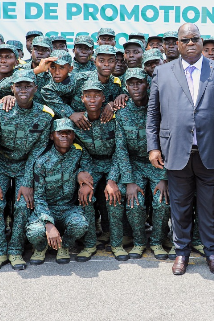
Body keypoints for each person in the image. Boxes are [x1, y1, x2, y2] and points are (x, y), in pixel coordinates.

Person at [146, 23, 214, 276]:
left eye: (195, 39)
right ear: (176, 44)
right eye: (184, 40)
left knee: (210, 206)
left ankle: (211, 252)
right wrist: (153, 147)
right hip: (175, 151)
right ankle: (181, 253)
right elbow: (153, 113)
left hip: (211, 151)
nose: (190, 43)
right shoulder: (163, 72)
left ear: (202, 43)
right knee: (180, 206)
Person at [0, 69, 54, 272]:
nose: (23, 90)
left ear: (35, 89)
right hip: (1, 164)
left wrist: (27, 181)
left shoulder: (45, 115)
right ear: (12, 88)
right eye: (18, 86)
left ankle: (15, 250)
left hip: (25, 165)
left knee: (23, 205)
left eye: (28, 86)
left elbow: (38, 152)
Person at [114, 68, 170, 260]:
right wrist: (129, 181)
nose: (136, 87)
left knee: (162, 202)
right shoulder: (121, 114)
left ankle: (157, 241)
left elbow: (170, 144)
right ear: (125, 86)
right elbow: (121, 149)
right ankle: (139, 241)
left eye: (140, 82)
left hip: (158, 164)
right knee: (134, 202)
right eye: (131, 83)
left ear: (148, 84)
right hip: (134, 164)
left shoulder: (159, 110)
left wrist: (164, 178)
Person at [26, 118, 92, 265]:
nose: (64, 136)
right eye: (60, 133)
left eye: (68, 132)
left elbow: (88, 167)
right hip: (47, 209)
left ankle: (64, 246)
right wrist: (48, 223)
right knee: (35, 232)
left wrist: (83, 175)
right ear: (51, 136)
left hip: (69, 208)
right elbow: (39, 197)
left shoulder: (78, 153)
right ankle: (41, 247)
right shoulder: (42, 161)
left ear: (73, 136)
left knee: (80, 225)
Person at [73, 80, 119, 261]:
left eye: (97, 95)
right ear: (82, 98)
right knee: (86, 197)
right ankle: (90, 243)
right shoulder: (78, 121)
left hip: (113, 163)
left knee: (115, 196)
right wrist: (83, 175)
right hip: (90, 164)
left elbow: (119, 151)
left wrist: (112, 179)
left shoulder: (114, 118)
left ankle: (116, 243)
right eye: (88, 96)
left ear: (104, 98)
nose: (92, 99)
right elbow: (79, 150)